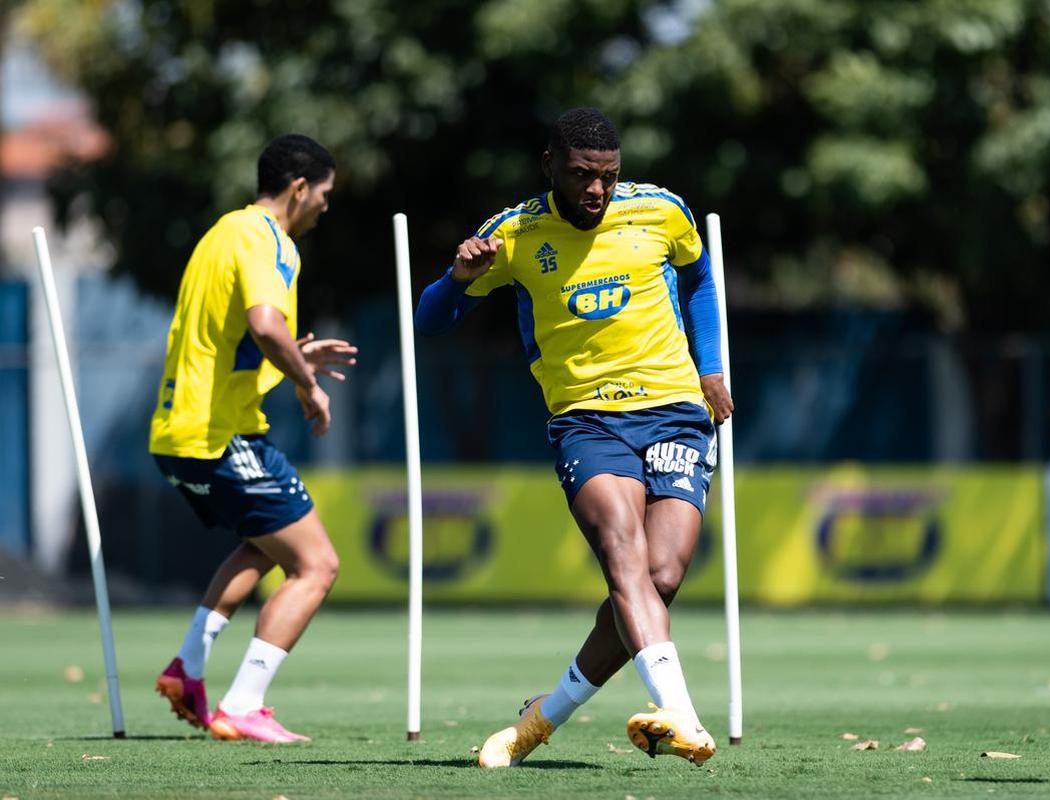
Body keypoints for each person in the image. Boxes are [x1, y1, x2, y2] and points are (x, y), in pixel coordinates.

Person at [415, 107, 734, 768]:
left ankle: (539, 719)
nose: (595, 191)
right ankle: (677, 712)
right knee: (622, 554)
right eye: (582, 175)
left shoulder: (662, 210)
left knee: (662, 576)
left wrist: (709, 368)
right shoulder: (514, 233)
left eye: (608, 177)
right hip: (586, 418)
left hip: (674, 409)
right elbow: (429, 321)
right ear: (550, 167)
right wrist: (458, 280)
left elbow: (699, 280)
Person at [149, 134, 356, 743]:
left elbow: (230, 342)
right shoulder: (269, 240)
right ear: (299, 188)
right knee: (317, 565)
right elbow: (266, 326)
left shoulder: (222, 231)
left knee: (267, 545)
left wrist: (298, 356)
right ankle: (244, 704)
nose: (325, 206)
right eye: (325, 194)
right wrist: (306, 385)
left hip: (178, 431)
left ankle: (187, 668)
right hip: (219, 436)